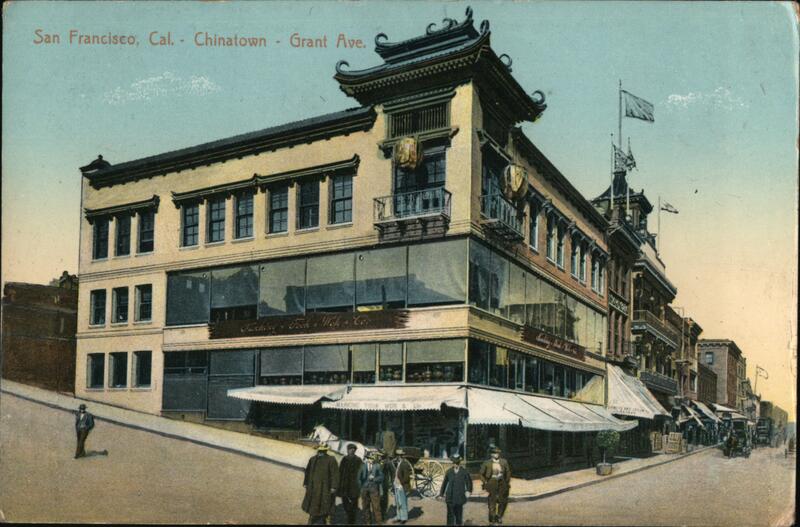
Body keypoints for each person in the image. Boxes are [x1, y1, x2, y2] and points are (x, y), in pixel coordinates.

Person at [302, 444, 339, 525]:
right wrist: (306, 483)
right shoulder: (313, 459)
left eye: (322, 450)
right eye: (319, 450)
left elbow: (335, 474)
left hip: (325, 487)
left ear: (326, 451)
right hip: (313, 486)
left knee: (325, 503)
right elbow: (307, 472)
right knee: (312, 503)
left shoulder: (331, 459)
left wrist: (333, 486)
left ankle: (324, 518)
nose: (320, 452)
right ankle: (312, 518)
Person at [480, 446, 511, 525]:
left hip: (502, 482)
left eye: (498, 453)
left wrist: (506, 482)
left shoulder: (504, 462)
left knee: (502, 501)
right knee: (492, 501)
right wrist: (485, 482)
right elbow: (481, 474)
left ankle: (499, 516)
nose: (497, 454)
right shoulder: (487, 463)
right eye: (495, 453)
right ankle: (493, 517)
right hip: (492, 482)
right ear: (491, 454)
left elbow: (508, 472)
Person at [438, 454, 472, 526]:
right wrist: (441, 494)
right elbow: (444, 483)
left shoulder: (464, 472)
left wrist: (468, 491)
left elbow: (469, 482)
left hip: (459, 497)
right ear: (452, 463)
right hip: (450, 496)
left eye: (457, 463)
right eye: (454, 463)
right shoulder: (449, 472)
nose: (455, 464)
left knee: (458, 516)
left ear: (459, 463)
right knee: (450, 515)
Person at [338, 443, 363, 525]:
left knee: (354, 503)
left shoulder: (358, 460)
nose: (351, 451)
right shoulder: (344, 460)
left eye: (353, 449)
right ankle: (349, 515)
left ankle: (351, 521)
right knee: (345, 502)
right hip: (345, 485)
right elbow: (340, 472)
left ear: (355, 451)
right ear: (347, 450)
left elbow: (362, 472)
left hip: (354, 485)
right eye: (350, 449)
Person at [358, 451, 384, 525]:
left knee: (376, 507)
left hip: (374, 490)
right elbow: (358, 478)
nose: (371, 460)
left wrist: (375, 478)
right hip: (364, 490)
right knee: (365, 507)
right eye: (370, 458)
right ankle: (367, 523)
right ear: (367, 458)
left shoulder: (377, 466)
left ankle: (379, 523)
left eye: (372, 458)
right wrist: (361, 488)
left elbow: (382, 477)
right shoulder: (362, 466)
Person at [391, 449, 414, 524]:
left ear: (400, 456)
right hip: (397, 486)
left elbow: (407, 477)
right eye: (397, 455)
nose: (397, 457)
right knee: (398, 503)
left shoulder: (404, 464)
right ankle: (399, 516)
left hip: (402, 486)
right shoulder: (399, 463)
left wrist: (401, 483)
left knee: (403, 502)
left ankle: (404, 518)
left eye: (398, 456)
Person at [378, 450, 392, 520]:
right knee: (379, 499)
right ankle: (380, 514)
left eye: (382, 456)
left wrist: (391, 483)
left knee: (384, 499)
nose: (380, 457)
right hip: (378, 484)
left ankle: (383, 514)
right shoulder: (378, 462)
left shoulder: (388, 463)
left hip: (384, 484)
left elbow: (392, 472)